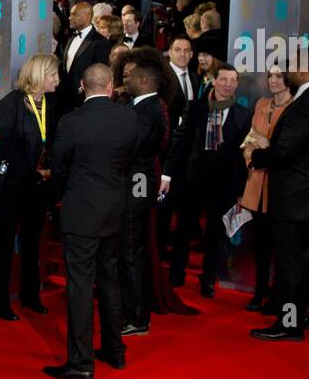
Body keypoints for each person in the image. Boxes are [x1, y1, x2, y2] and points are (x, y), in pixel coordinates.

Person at [43, 63, 139, 379]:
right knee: (110, 280)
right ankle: (115, 350)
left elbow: (58, 170)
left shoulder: (71, 122)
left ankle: (81, 362)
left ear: (83, 85)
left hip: (81, 212)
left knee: (81, 285)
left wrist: (57, 196)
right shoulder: (128, 116)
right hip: (115, 210)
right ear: (111, 86)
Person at [248, 66, 309, 341]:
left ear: (303, 71)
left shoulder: (304, 105)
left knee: (291, 265)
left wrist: (258, 155)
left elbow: (284, 152)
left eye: (291, 69)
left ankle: (289, 324)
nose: (287, 74)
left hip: (295, 197)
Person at [162, 64, 253, 296]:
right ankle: (177, 272)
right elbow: (179, 143)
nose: (228, 85)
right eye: (224, 79)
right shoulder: (195, 108)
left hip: (224, 184)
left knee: (216, 234)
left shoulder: (244, 115)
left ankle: (208, 278)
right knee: (183, 230)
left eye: (233, 81)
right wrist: (168, 174)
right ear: (214, 81)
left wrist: (241, 190)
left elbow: (244, 159)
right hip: (192, 181)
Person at [0, 54, 61, 320]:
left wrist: (48, 171)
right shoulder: (11, 103)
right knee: (3, 244)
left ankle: (31, 296)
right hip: (14, 184)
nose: (57, 80)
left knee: (32, 243)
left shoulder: (51, 104)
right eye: (53, 74)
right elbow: (8, 145)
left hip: (39, 186)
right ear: (40, 74)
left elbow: (52, 141)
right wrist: (32, 173)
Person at [118, 50, 165, 337]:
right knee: (131, 252)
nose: (125, 82)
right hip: (135, 186)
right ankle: (133, 312)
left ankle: (136, 317)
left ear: (144, 80)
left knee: (131, 253)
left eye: (130, 77)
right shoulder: (142, 108)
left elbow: (132, 149)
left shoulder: (146, 111)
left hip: (135, 189)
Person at [238, 68, 293, 312]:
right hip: (257, 182)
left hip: (282, 188)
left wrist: (266, 148)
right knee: (260, 245)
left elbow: (284, 150)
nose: (273, 80)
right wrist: (254, 157)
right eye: (270, 76)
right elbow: (249, 142)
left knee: (282, 249)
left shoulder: (295, 108)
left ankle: (277, 296)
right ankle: (260, 291)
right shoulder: (261, 103)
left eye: (279, 76)